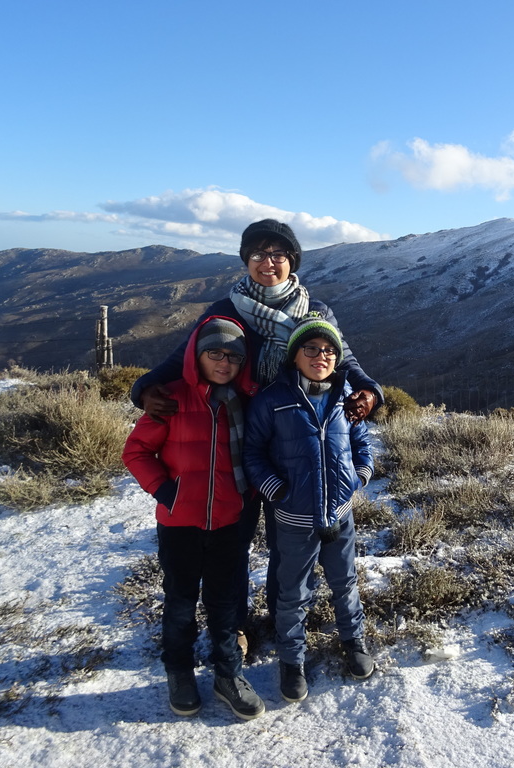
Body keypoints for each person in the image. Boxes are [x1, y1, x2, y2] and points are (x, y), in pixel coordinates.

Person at [130, 219, 383, 651]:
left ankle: (283, 613)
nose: (269, 262)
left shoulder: (315, 310)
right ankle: (238, 624)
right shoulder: (225, 310)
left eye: (278, 254)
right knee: (237, 537)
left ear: (293, 261)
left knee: (288, 539)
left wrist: (369, 391)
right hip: (238, 441)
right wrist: (144, 389)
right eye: (259, 254)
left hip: (299, 442)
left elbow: (344, 358)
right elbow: (185, 357)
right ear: (246, 260)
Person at [122, 316, 265, 721]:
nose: (224, 363)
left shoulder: (244, 401)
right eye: (214, 353)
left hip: (229, 520)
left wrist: (247, 493)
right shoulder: (170, 398)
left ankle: (228, 675)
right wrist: (168, 492)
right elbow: (135, 453)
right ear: (196, 356)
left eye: (233, 356)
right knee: (180, 602)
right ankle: (180, 673)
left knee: (224, 603)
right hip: (179, 523)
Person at [244, 311, 377, 702]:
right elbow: (252, 452)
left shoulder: (346, 401)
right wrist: (276, 490)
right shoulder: (272, 400)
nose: (321, 356)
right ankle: (292, 661)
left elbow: (362, 445)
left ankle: (354, 642)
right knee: (293, 592)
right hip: (293, 517)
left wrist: (360, 478)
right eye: (312, 348)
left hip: (340, 513)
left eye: (329, 351)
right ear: (294, 354)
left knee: (345, 581)